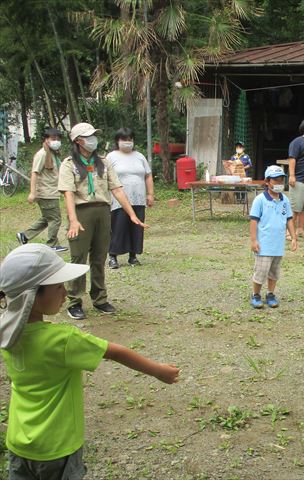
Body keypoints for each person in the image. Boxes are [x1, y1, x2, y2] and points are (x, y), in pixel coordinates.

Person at [0, 244, 179, 480]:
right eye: (58, 287)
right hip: (57, 447)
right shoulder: (62, 340)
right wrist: (158, 371)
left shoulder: (6, 332)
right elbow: (115, 352)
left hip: (18, 444)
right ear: (32, 296)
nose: (65, 292)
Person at [58, 122, 148, 320]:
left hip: (103, 212)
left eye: (94, 135)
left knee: (99, 258)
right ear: (78, 141)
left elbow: (116, 189)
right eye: (88, 136)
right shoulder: (68, 164)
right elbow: (68, 194)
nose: (93, 139)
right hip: (82, 213)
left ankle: (100, 298)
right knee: (78, 258)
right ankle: (75, 301)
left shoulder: (104, 162)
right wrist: (73, 221)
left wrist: (132, 214)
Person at [249, 165, 297, 309]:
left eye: (281, 180)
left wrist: (294, 237)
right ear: (267, 182)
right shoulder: (260, 200)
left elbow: (289, 218)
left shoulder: (285, 200)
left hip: (278, 245)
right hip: (263, 245)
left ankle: (270, 294)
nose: (279, 184)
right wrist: (253, 240)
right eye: (275, 181)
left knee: (274, 272)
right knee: (261, 271)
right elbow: (253, 221)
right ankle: (255, 294)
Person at [106, 128, 154, 269]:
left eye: (130, 139)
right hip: (118, 200)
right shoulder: (111, 156)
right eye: (124, 139)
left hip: (138, 199)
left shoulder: (139, 156)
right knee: (118, 227)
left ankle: (133, 256)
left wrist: (150, 194)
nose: (127, 142)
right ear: (117, 141)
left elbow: (148, 175)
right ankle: (113, 255)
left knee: (137, 227)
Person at [16, 127, 67, 252]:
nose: (56, 141)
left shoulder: (53, 154)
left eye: (58, 139)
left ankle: (25, 235)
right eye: (53, 139)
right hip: (46, 193)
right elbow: (34, 173)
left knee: (47, 217)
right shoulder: (42, 154)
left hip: (52, 191)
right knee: (55, 219)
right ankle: (52, 244)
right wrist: (32, 192)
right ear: (46, 140)